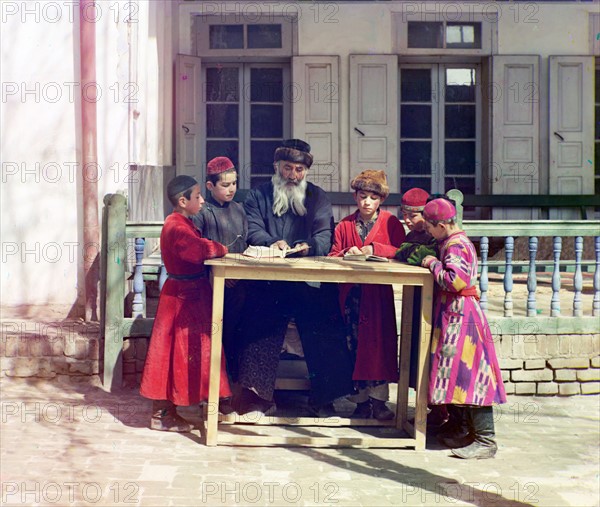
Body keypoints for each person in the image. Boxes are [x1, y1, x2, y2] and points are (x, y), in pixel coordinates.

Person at [235, 139, 355, 416]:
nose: (293, 175)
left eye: (299, 170)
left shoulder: (318, 197)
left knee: (324, 321)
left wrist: (309, 246)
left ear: (306, 172)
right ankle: (257, 398)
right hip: (267, 280)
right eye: (287, 168)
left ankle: (325, 398)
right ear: (277, 167)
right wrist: (271, 243)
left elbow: (326, 234)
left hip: (307, 279)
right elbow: (252, 231)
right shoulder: (258, 196)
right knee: (257, 322)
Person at [139, 175, 232, 431]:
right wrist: (220, 248)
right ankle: (163, 415)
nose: (202, 201)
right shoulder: (176, 227)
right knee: (172, 353)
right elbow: (199, 250)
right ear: (182, 201)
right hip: (182, 298)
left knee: (193, 351)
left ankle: (206, 401)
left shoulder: (180, 222)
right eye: (198, 196)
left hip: (190, 294)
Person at [420, 198, 507, 459]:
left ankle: (485, 441)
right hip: (454, 314)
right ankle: (462, 430)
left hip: (462, 317)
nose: (428, 231)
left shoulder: (456, 245)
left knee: (470, 376)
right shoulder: (451, 241)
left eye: (430, 227)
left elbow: (454, 281)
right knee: (455, 376)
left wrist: (432, 263)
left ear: (442, 225)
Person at [328, 170, 406, 420]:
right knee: (353, 345)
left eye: (373, 198)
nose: (367, 203)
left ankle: (379, 401)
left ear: (381, 200)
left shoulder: (391, 223)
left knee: (378, 346)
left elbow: (402, 250)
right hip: (351, 296)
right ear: (355, 197)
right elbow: (332, 255)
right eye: (362, 196)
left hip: (377, 296)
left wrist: (375, 248)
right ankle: (360, 401)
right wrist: (346, 254)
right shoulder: (345, 225)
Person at [192, 156, 248, 382]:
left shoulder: (239, 210)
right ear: (209, 186)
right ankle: (213, 388)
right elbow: (196, 249)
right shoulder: (202, 213)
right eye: (225, 185)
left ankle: (233, 387)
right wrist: (217, 275)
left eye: (234, 183)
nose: (231, 189)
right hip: (212, 285)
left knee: (237, 335)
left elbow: (245, 243)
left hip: (241, 285)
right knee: (216, 338)